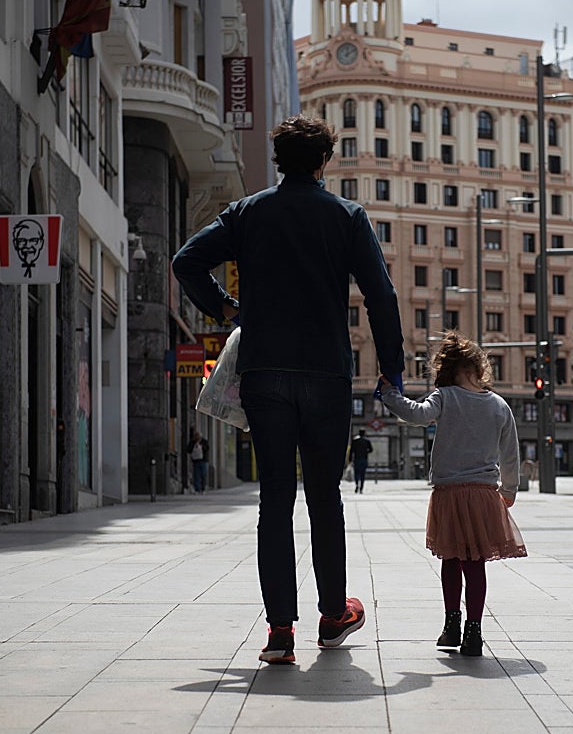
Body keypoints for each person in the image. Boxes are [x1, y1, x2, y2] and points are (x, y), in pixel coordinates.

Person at [172, 114, 405, 664]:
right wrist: (392, 369)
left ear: (279, 160)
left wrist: (227, 309)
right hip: (326, 374)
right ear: (324, 161)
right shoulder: (347, 216)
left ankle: (280, 632)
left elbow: (186, 261)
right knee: (325, 497)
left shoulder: (248, 212)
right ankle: (333, 616)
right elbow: (381, 295)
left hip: (264, 372)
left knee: (274, 499)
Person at [378, 331, 526, 657]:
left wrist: (389, 394)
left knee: (451, 559)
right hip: (484, 494)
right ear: (479, 369)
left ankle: (451, 625)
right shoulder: (499, 405)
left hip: (449, 493)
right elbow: (510, 454)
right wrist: (510, 490)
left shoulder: (444, 397)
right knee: (475, 564)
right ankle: (474, 631)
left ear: (448, 369)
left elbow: (415, 414)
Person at [348, 429, 373, 494]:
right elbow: (371, 450)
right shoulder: (367, 441)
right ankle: (361, 488)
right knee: (362, 474)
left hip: (356, 459)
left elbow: (351, 451)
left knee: (356, 473)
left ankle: (357, 485)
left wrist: (350, 460)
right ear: (364, 434)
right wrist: (366, 451)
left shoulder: (355, 441)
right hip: (364, 459)